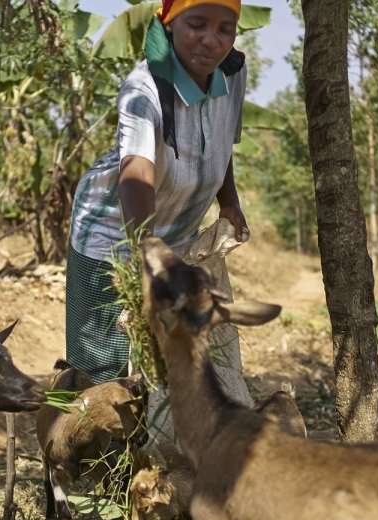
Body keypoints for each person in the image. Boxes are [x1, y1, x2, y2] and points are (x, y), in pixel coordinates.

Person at [65, 0, 249, 382]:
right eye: (196, 24)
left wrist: (228, 201)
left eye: (225, 29)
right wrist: (145, 250)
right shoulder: (144, 88)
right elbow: (137, 171)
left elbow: (220, 141)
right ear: (169, 23)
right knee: (107, 371)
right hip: (115, 236)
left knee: (170, 362)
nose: (211, 40)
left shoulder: (233, 72)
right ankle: (97, 441)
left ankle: (155, 438)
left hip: (178, 238)